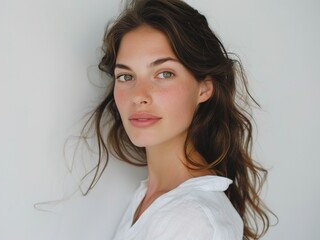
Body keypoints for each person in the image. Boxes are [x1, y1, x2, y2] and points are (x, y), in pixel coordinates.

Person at [80, 0, 273, 239]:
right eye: (126, 76)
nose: (139, 95)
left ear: (204, 88)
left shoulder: (193, 219)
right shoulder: (147, 197)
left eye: (164, 73)